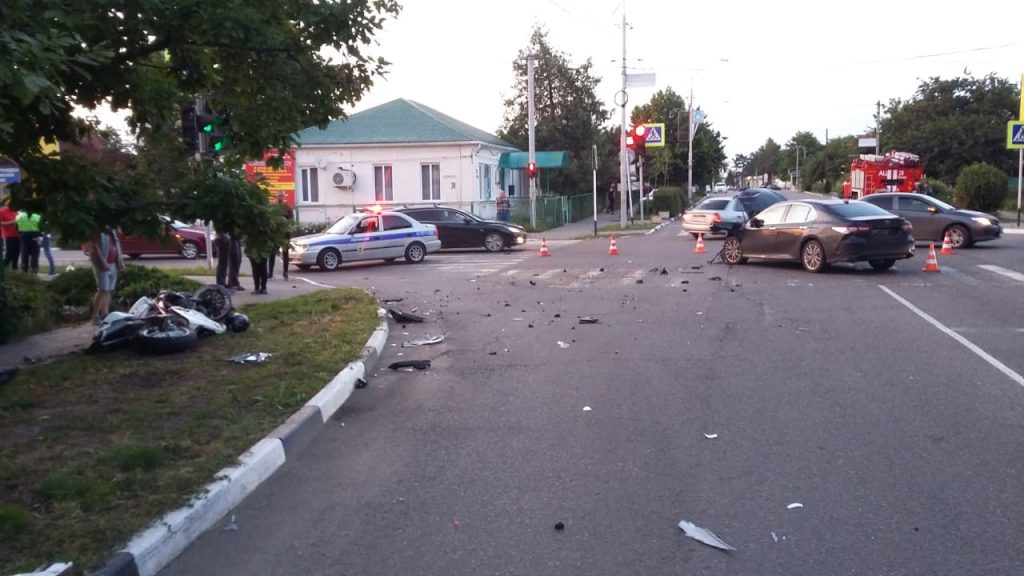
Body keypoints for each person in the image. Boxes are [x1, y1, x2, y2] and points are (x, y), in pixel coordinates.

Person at [88, 227, 124, 325]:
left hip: (112, 263)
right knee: (103, 289)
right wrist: (102, 262)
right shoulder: (98, 229)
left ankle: (105, 314)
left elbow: (116, 245)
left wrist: (120, 261)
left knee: (108, 290)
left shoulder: (112, 230)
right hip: (102, 264)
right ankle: (95, 316)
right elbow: (95, 247)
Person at [268, 192, 293, 280]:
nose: (280, 198)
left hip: (285, 234)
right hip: (276, 234)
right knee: (272, 253)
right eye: (279, 196)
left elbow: (291, 221)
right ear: (276, 197)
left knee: (285, 253)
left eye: (282, 196)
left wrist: (288, 228)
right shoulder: (273, 207)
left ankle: (285, 273)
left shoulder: (287, 207)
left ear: (284, 197)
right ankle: (270, 273)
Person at [0, 198, 19, 270]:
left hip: (18, 235)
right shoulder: (2, 211)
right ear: (6, 204)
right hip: (8, 236)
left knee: (17, 254)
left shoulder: (16, 211)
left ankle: (14, 269)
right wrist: (13, 222)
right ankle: (1, 269)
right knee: (9, 255)